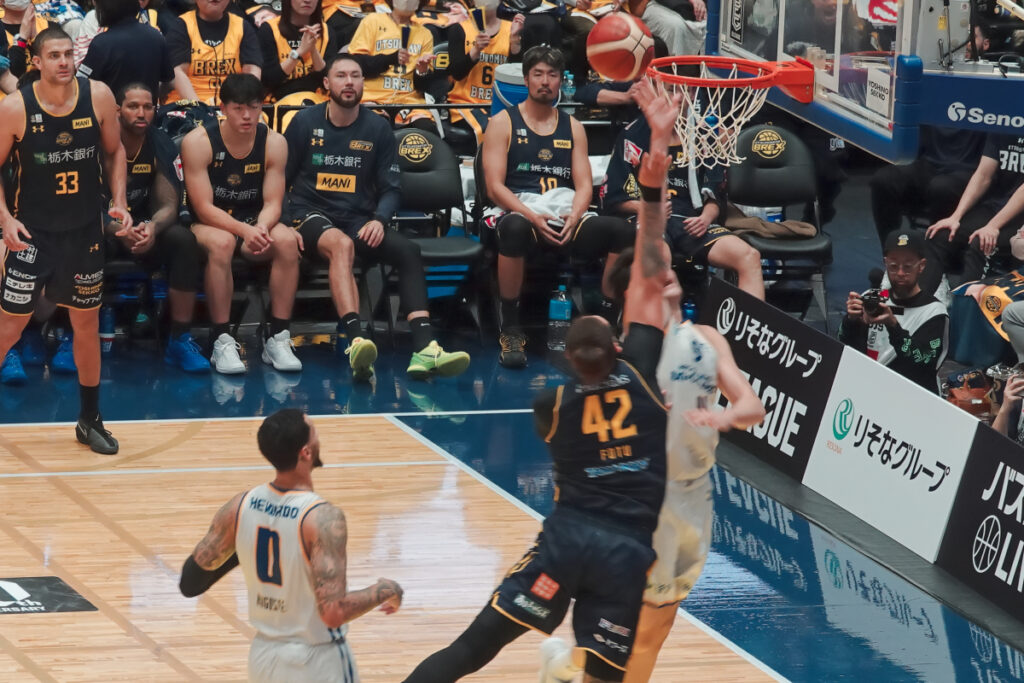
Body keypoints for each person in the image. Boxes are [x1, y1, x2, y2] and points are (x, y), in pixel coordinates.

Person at [565, 77, 763, 683]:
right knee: (621, 631)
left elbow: (751, 407)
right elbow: (652, 232)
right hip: (638, 500)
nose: (668, 274)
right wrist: (658, 144)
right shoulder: (639, 340)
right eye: (657, 274)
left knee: (654, 633)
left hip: (691, 502)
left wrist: (723, 416)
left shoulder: (707, 340)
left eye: (673, 270)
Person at [403, 316, 671, 682]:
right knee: (603, 674)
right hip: (624, 557)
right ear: (617, 348)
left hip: (564, 548)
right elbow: (648, 308)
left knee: (471, 648)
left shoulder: (550, 405)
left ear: (569, 358)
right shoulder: (642, 379)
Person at [179, 408, 404, 682]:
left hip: (264, 658)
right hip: (316, 661)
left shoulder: (239, 507)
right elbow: (333, 613)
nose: (319, 436)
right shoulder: (322, 518)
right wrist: (385, 589)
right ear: (306, 452)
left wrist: (243, 545)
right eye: (314, 431)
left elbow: (190, 582)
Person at [284, 54, 471, 381]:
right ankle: (357, 340)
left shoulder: (378, 127)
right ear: (326, 83)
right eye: (341, 76)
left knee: (408, 250)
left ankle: (425, 348)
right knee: (341, 245)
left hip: (357, 219)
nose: (349, 82)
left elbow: (391, 188)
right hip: (310, 216)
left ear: (362, 83)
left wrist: (380, 219)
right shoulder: (304, 123)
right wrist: (285, 224)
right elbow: (279, 180)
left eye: (355, 76)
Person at [0, 27, 132, 454]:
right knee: (9, 326)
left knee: (85, 325)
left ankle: (89, 419)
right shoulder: (15, 107)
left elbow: (115, 151)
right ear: (37, 62)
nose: (63, 62)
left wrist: (120, 200)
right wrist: (4, 219)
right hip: (31, 234)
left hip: (84, 232)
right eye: (54, 55)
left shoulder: (99, 96)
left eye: (68, 54)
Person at [481, 46, 635, 368]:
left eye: (552, 75)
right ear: (526, 79)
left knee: (620, 231)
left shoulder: (573, 126)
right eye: (538, 74)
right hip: (519, 209)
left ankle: (606, 323)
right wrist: (532, 217)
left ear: (560, 82)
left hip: (564, 211)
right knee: (514, 228)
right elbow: (494, 188)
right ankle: (511, 329)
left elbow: (584, 186)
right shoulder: (502, 122)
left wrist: (575, 216)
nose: (545, 81)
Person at [180, 73, 303, 375]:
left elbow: (273, 202)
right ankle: (221, 340)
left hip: (253, 221)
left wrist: (260, 228)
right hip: (209, 224)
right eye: (238, 108)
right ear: (222, 108)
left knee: (287, 242)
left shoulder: (274, 142)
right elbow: (203, 208)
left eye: (254, 107)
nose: (247, 115)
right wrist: (245, 230)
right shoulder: (197, 142)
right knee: (222, 243)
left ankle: (278, 337)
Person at [603, 112, 765, 300]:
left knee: (749, 256)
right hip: (648, 218)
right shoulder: (633, 134)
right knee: (659, 260)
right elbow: (614, 198)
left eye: (684, 94)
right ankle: (659, 318)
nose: (678, 99)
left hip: (691, 220)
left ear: (692, 97)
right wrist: (647, 209)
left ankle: (748, 320)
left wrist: (706, 218)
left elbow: (716, 196)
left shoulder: (705, 134)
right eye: (672, 94)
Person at [111, 82, 210, 372]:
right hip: (104, 229)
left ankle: (179, 338)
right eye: (133, 106)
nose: (141, 113)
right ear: (117, 110)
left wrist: (152, 227)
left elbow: (168, 203)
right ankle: (68, 336)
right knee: (77, 239)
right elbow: (86, 204)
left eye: (148, 107)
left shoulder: (160, 141)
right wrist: (117, 228)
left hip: (144, 232)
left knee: (183, 240)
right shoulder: (100, 140)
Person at [839, 230, 949, 394]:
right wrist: (851, 321)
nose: (900, 273)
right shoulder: (872, 299)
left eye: (908, 267)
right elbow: (847, 349)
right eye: (893, 266)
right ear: (885, 263)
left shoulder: (934, 312)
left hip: (913, 396)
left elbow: (922, 363)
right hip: (870, 389)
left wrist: (893, 326)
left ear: (921, 266)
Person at [923, 133, 1024, 294]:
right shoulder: (1003, 127)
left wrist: (992, 226)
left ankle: (963, 305)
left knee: (982, 242)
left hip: (1020, 219)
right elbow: (983, 175)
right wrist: (955, 217)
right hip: (995, 207)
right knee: (942, 235)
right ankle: (923, 303)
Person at [869, 125, 985, 248]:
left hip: (970, 170)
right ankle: (891, 252)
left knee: (941, 188)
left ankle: (937, 254)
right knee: (883, 180)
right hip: (930, 163)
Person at [347, 0, 435, 129]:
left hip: (409, 103)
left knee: (427, 131)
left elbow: (424, 87)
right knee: (377, 127)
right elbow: (356, 64)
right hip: (373, 98)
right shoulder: (372, 21)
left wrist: (421, 71)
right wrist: (390, 59)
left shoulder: (424, 33)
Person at [446, 2, 523, 143]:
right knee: (494, 130)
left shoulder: (512, 28)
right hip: (466, 103)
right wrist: (475, 51)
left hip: (501, 101)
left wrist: (515, 40)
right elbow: (456, 73)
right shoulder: (459, 29)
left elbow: (518, 73)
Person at [164, 0, 263, 104]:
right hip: (188, 103)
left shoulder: (243, 27)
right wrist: (199, 108)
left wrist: (238, 105)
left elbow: (252, 73)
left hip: (234, 103)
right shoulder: (181, 26)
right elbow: (178, 72)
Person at [76, 0, 174, 97]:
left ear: (105, 9)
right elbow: (168, 80)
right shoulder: (157, 37)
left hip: (111, 106)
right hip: (149, 105)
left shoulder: (101, 44)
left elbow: (81, 85)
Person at [258, 0, 337, 101]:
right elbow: (269, 79)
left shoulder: (327, 32)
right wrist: (299, 53)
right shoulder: (269, 29)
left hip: (318, 101)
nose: (307, 1)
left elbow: (327, 79)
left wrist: (313, 50)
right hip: (279, 102)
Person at [1, 0, 55, 78]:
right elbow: (10, 75)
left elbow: (56, 67)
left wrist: (35, 39)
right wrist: (22, 39)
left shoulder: (50, 26)